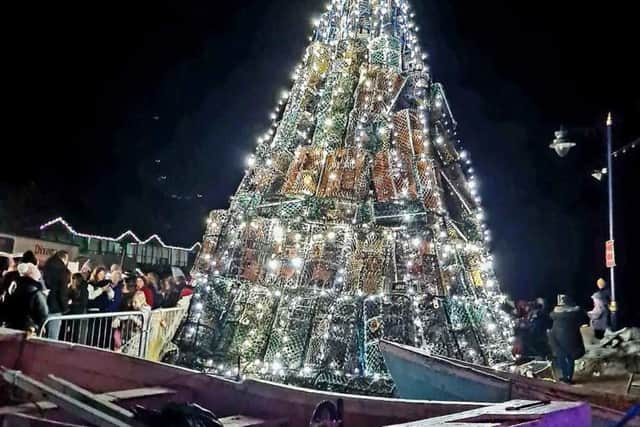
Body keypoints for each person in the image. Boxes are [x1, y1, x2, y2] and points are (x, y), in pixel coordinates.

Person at [548, 294, 586, 384]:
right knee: (570, 358)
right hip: (572, 337)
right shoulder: (575, 314)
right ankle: (568, 377)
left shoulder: (556, 314)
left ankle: (566, 376)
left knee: (562, 357)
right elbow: (581, 322)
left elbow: (553, 327)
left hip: (558, 336)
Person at [3, 263, 49, 334]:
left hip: (11, 325)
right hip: (29, 329)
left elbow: (6, 306)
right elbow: (43, 313)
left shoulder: (14, 288)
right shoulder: (36, 293)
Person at [43, 250, 70, 339]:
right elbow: (63, 291)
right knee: (52, 336)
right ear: (64, 258)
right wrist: (65, 307)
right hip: (55, 307)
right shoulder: (62, 270)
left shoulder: (46, 266)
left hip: (42, 304)